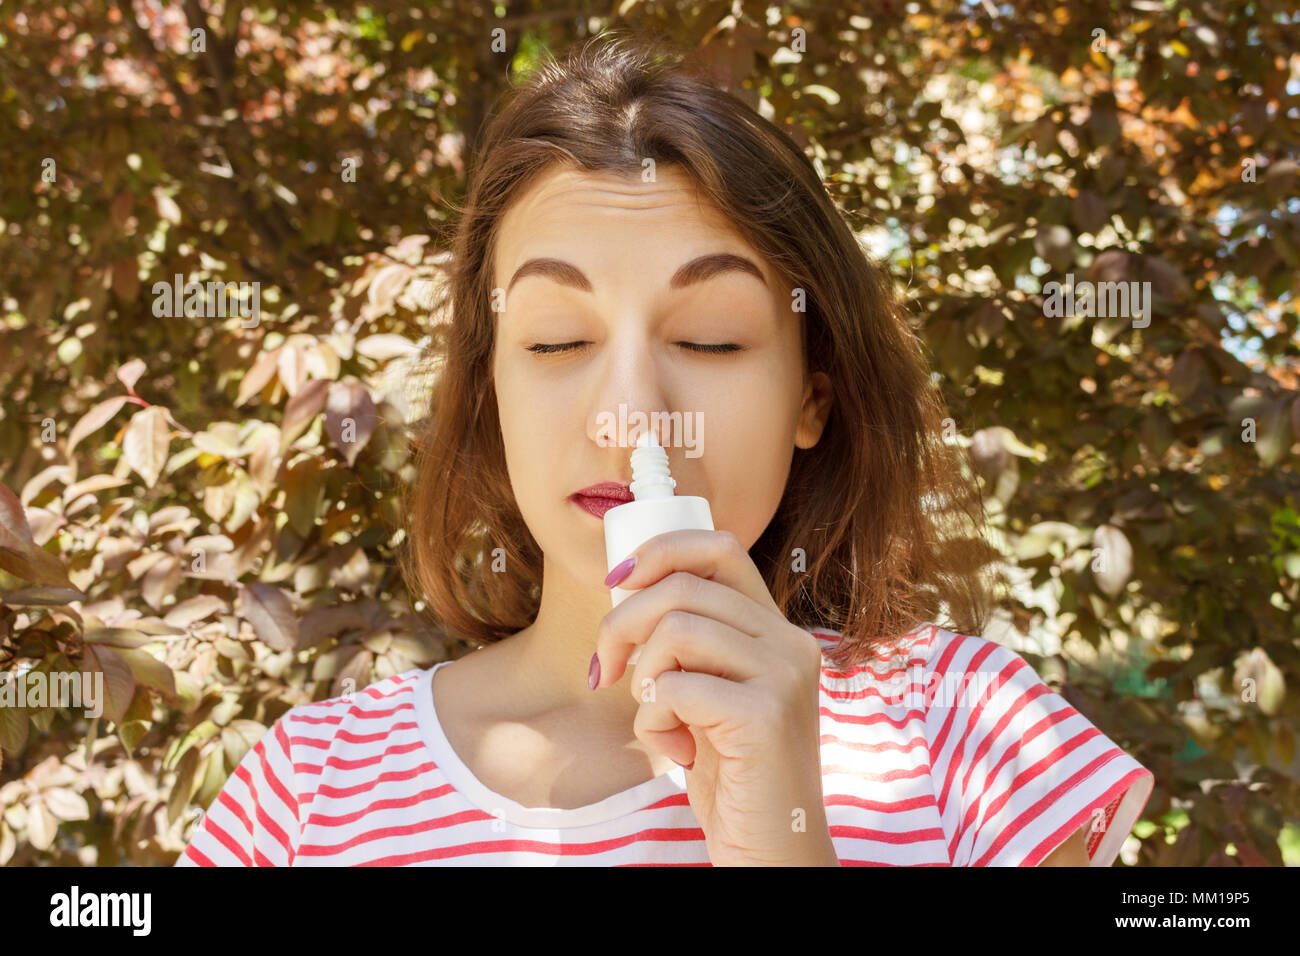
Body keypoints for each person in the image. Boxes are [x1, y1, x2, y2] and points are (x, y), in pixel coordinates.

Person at [177, 33, 1153, 867]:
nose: (634, 414)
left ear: (812, 397)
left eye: (712, 338)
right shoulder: (306, 787)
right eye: (557, 340)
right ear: (489, 398)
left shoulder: (977, 738)